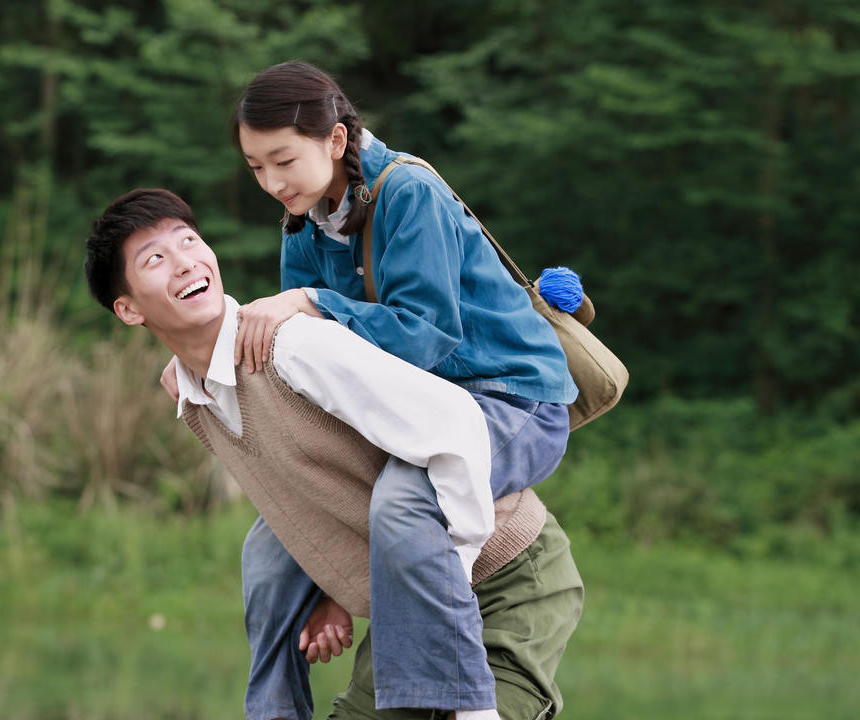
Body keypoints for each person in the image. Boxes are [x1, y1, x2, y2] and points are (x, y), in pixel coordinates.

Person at [85, 189, 583, 720]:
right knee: (263, 549)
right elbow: (316, 493)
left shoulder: (295, 346)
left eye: (188, 241)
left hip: (506, 578)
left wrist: (440, 564)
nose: (185, 261)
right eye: (155, 259)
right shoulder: (193, 396)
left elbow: (458, 425)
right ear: (128, 309)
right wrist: (338, 589)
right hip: (411, 606)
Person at [199, 62, 578, 720]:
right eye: (256, 168)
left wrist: (312, 301)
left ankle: (466, 711)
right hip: (421, 418)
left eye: (282, 160)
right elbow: (334, 387)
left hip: (512, 402)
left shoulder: (410, 193)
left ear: (336, 142)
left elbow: (424, 336)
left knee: (407, 500)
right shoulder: (302, 224)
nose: (271, 183)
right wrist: (330, 579)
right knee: (269, 541)